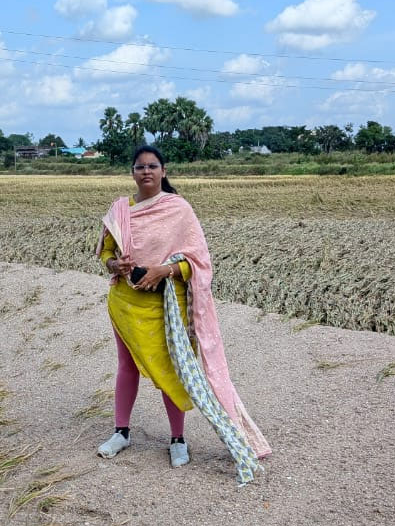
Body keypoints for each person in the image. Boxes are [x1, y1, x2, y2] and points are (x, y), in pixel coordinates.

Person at [96, 145, 271, 483]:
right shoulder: (120, 210)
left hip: (166, 304)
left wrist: (163, 271)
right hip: (124, 301)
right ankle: (121, 432)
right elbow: (105, 250)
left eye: (152, 166)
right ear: (131, 172)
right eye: (139, 167)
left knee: (171, 371)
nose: (146, 171)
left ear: (163, 171)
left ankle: (178, 439)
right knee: (126, 365)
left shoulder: (179, 210)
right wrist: (114, 263)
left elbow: (198, 263)